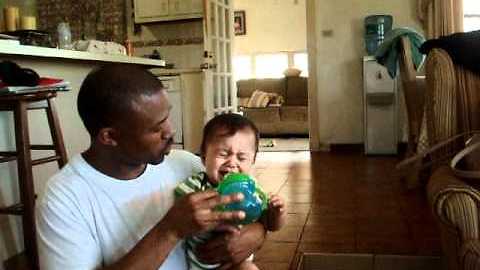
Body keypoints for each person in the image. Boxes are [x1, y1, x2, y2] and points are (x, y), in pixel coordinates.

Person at [36, 64, 267, 270]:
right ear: (109, 136)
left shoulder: (184, 164)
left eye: (167, 116)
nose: (171, 131)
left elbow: (249, 208)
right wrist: (170, 230)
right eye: (157, 128)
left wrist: (255, 234)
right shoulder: (63, 199)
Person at [175, 114, 286, 270]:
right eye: (223, 154)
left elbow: (271, 225)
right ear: (204, 155)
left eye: (241, 158)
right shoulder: (196, 186)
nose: (232, 163)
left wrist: (277, 212)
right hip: (202, 264)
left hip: (238, 263)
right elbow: (184, 213)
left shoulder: (252, 189)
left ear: (253, 161)